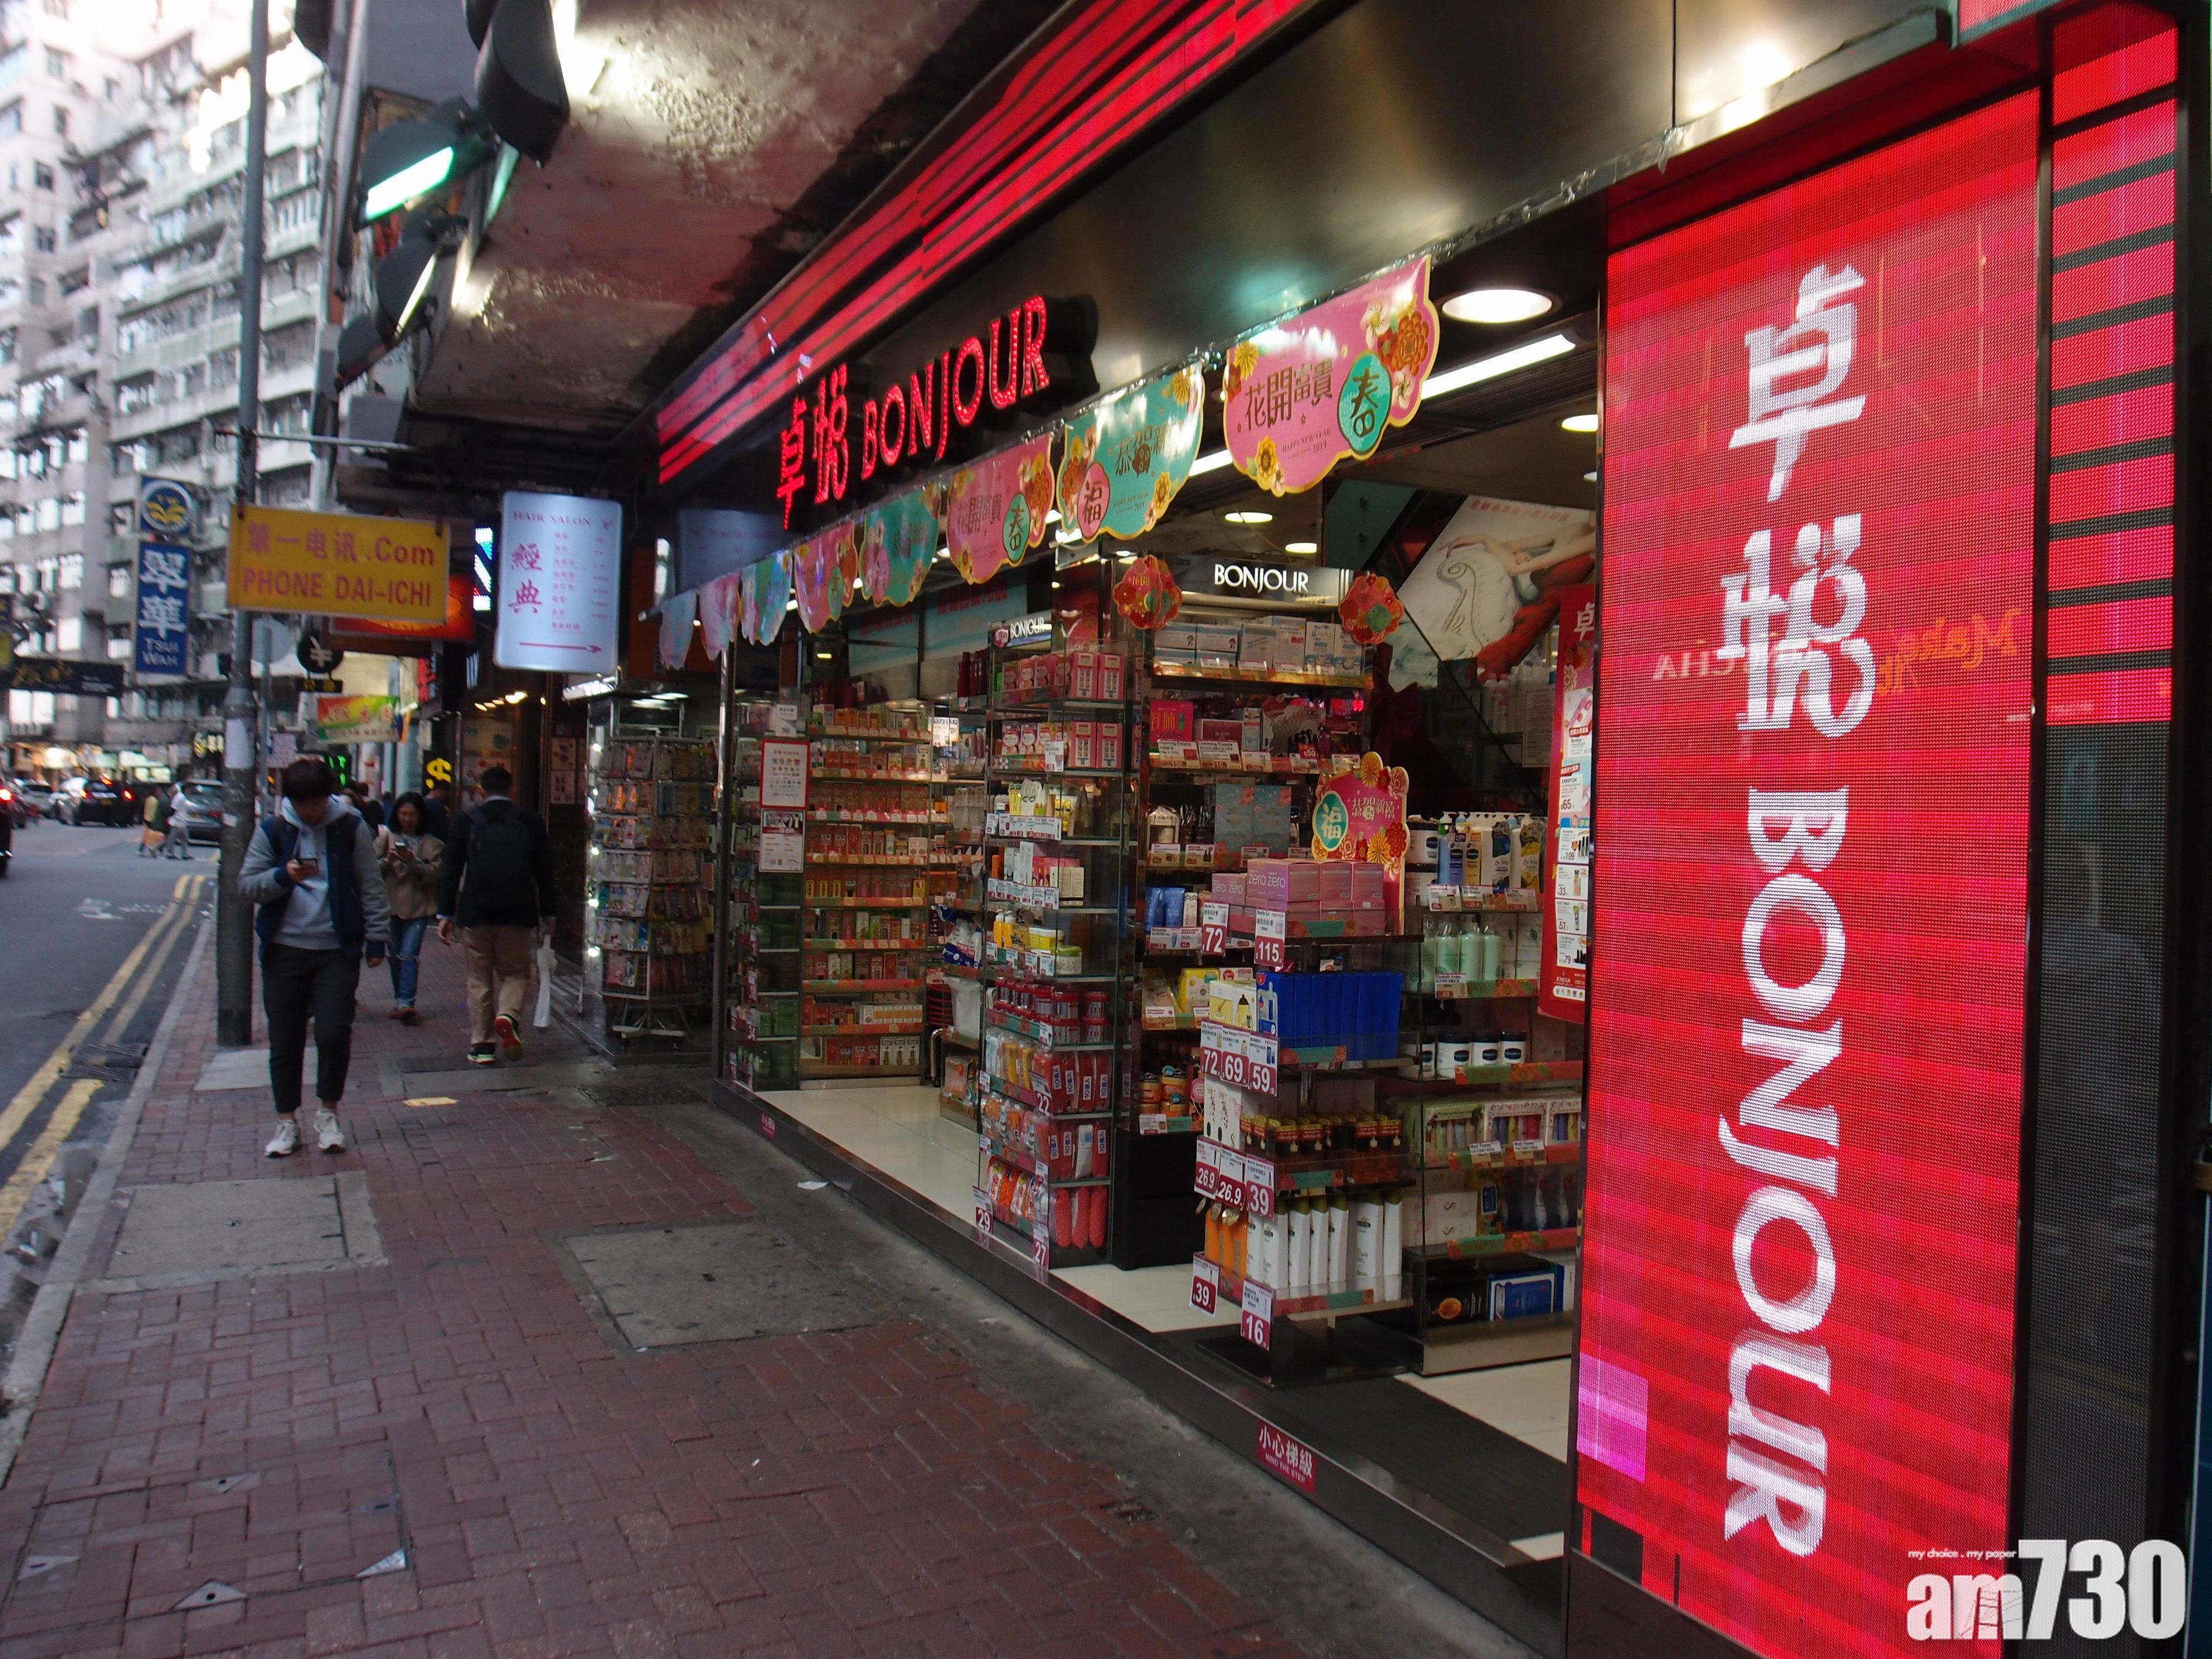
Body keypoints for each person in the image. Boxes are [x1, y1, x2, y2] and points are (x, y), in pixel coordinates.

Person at [238, 757, 388, 1156]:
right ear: (291, 800)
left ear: (328, 797)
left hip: (335, 950)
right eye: (303, 803)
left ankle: (328, 1113)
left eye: (318, 802)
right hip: (285, 950)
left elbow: (371, 884)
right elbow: (247, 885)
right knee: (285, 1038)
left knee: (334, 1032)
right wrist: (283, 876)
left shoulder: (350, 827)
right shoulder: (273, 830)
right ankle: (287, 1121)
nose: (311, 811)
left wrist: (377, 938)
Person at [437, 765, 555, 1066]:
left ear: (481, 791)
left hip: (475, 913)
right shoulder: (529, 821)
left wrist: (445, 913)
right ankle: (508, 1015)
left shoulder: (466, 821)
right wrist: (549, 912)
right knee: (516, 973)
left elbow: (450, 870)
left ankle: (482, 1045)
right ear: (512, 790)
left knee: (479, 978)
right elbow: (545, 871)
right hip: (518, 912)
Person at [375, 792, 444, 1023]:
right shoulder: (387, 838)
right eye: (403, 814)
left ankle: (407, 1001)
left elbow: (435, 875)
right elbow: (369, 869)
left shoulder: (433, 844)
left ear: (421, 816)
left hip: (419, 905)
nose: (407, 819)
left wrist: (414, 862)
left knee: (409, 954)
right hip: (391, 904)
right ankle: (400, 999)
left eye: (412, 814)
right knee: (395, 955)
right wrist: (388, 861)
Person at [161, 780, 192, 859]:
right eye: (188, 790)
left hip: (182, 821)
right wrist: (169, 817)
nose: (189, 791)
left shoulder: (182, 797)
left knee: (183, 838)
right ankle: (170, 852)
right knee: (173, 838)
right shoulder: (179, 798)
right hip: (177, 821)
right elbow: (173, 809)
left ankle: (184, 854)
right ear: (185, 790)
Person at [138, 785, 166, 857]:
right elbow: (155, 812)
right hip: (152, 820)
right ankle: (155, 848)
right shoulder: (155, 801)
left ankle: (142, 849)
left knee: (147, 836)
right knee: (159, 836)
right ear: (155, 792)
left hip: (146, 819)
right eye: (159, 792)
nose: (160, 793)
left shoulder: (148, 799)